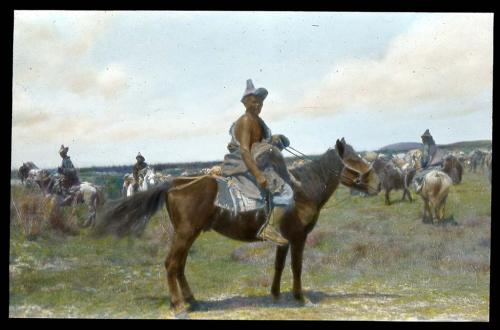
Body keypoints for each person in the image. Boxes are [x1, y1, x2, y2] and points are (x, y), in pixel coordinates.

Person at [221, 79, 292, 246]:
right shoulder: (246, 121)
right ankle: (270, 228)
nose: (258, 106)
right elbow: (245, 150)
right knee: (286, 192)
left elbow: (259, 144)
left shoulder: (258, 121)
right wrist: (258, 175)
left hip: (257, 160)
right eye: (254, 102)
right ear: (245, 103)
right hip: (245, 163)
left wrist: (274, 140)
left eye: (260, 103)